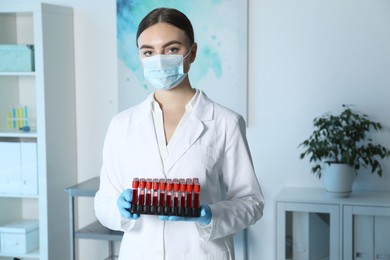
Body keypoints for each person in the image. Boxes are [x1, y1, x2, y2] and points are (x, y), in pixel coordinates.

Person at [94, 7, 264, 260]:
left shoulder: (226, 122)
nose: (159, 59)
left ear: (192, 52)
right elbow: (103, 202)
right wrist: (118, 207)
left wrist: (209, 215)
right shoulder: (122, 125)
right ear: (140, 56)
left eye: (172, 49)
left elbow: (251, 202)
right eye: (149, 51)